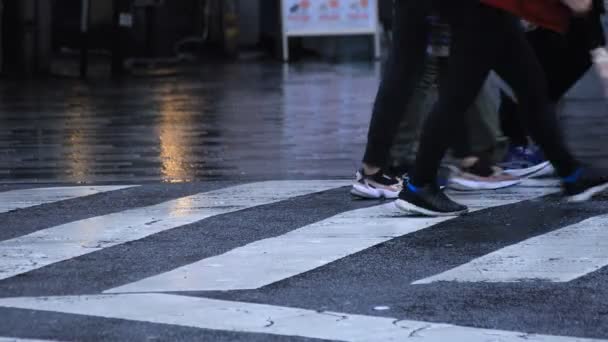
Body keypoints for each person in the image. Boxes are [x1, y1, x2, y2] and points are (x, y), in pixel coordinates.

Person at [396, 0, 608, 216]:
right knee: (460, 94)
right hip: (482, 8)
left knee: (530, 87)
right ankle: (419, 183)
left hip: (493, 8)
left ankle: (571, 174)